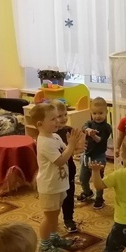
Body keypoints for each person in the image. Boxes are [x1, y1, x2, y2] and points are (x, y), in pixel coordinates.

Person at [31, 103, 83, 252]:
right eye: (53, 119)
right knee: (49, 217)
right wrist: (71, 145)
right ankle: (44, 245)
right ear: (40, 124)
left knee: (55, 213)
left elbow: (67, 151)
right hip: (49, 187)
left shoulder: (55, 136)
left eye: (57, 117)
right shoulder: (44, 142)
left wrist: (75, 146)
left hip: (58, 184)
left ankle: (53, 237)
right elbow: (60, 160)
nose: (57, 121)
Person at [77, 97, 113, 209]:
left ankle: (99, 197)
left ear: (106, 112)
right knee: (83, 177)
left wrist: (93, 135)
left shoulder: (107, 127)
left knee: (98, 179)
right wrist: (87, 130)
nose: (97, 116)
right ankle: (87, 192)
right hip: (87, 155)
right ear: (91, 113)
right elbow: (83, 127)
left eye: (100, 113)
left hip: (98, 157)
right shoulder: (90, 123)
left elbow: (100, 141)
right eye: (94, 113)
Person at [50, 100, 79, 233]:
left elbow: (76, 149)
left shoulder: (69, 131)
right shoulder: (48, 135)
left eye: (65, 114)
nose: (63, 118)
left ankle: (68, 218)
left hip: (69, 168)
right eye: (59, 116)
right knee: (56, 198)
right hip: (55, 172)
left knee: (69, 194)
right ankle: (52, 220)